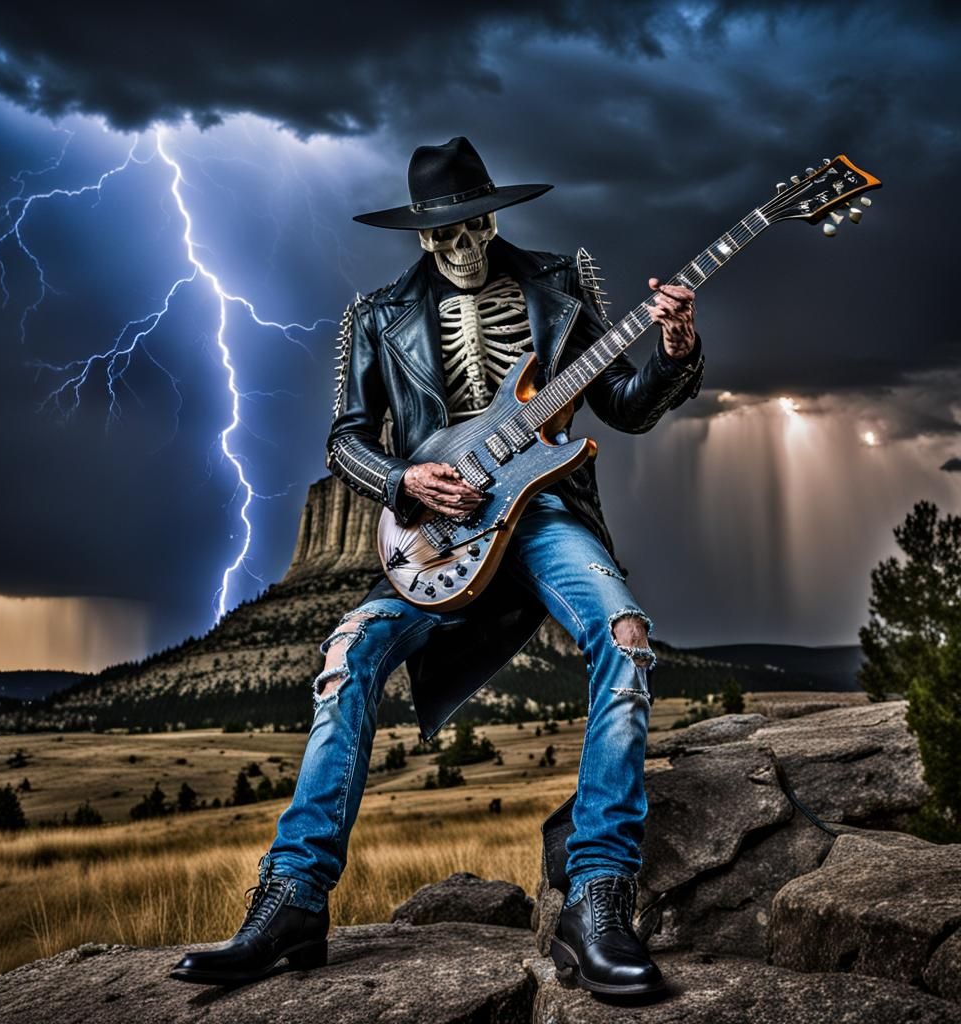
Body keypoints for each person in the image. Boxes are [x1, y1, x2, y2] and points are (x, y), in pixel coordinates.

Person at [171, 137, 703, 995]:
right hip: (436, 539)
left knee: (626, 638)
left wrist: (675, 350)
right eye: (442, 233)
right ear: (420, 237)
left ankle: (598, 896)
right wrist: (402, 478)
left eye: (473, 224)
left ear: (493, 217)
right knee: (348, 656)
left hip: (546, 517)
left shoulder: (562, 287)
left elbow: (627, 407)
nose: (462, 244)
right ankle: (293, 902)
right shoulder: (377, 315)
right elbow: (344, 440)